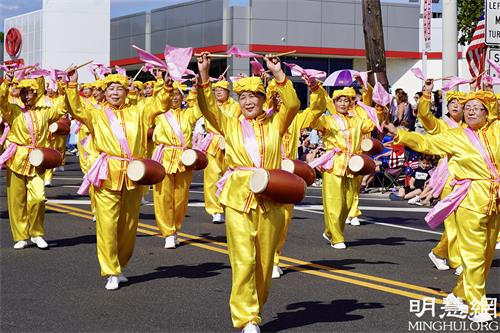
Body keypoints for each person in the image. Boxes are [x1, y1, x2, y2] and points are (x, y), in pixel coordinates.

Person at [197, 52, 299, 333]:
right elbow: (208, 108)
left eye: (254, 96)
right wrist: (204, 75)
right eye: (243, 97)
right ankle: (247, 317)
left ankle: (256, 308)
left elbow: (292, 103)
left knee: (265, 263)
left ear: (264, 100)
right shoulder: (229, 123)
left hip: (272, 196)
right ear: (237, 101)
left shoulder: (276, 123)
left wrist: (278, 73)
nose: (248, 101)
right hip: (238, 197)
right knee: (243, 260)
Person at [385, 90, 499, 323]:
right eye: (468, 108)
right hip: (469, 199)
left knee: (486, 255)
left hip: (495, 199)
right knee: (473, 253)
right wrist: (401, 134)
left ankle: (459, 294)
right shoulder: (455, 135)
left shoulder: (497, 130)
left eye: (477, 107)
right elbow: (427, 142)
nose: (470, 110)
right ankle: (477, 305)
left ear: (489, 112)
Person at [66, 70, 172, 290]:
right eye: (111, 89)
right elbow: (75, 109)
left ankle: (120, 264)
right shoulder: (96, 114)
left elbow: (160, 104)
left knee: (129, 224)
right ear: (104, 92)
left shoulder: (139, 110)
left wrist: (166, 86)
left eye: (119, 89)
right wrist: (71, 85)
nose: (115, 93)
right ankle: (111, 270)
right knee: (107, 225)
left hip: (134, 173)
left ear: (127, 91)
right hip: (107, 172)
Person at [266, 77, 327, 279]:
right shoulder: (259, 120)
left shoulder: (296, 118)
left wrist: (315, 89)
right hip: (262, 176)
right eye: (274, 96)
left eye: (282, 96)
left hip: (286, 176)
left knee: (282, 220)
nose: (278, 100)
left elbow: (317, 110)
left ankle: (274, 259)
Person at [0, 74, 67, 249]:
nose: (27, 96)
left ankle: (37, 233)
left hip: (38, 160)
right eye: (23, 93)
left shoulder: (45, 111)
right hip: (16, 158)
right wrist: (6, 83)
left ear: (37, 94)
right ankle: (21, 236)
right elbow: (1, 100)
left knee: (38, 197)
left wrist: (65, 85)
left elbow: (63, 108)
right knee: (17, 200)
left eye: (30, 92)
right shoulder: (12, 110)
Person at [309, 87, 380, 249]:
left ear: (351, 103)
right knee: (334, 203)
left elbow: (372, 124)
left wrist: (381, 108)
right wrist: (316, 101)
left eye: (346, 100)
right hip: (334, 164)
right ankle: (337, 237)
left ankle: (330, 231)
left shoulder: (357, 120)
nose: (342, 103)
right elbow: (313, 122)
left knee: (347, 204)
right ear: (334, 103)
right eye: (339, 100)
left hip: (353, 165)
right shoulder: (328, 120)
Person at [414, 80, 468, 274]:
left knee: (463, 222)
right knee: (453, 222)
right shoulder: (442, 126)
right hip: (448, 179)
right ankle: (457, 261)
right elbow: (424, 116)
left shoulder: (471, 128)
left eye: (460, 103)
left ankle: (438, 253)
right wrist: (426, 94)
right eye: (452, 102)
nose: (455, 105)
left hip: (469, 181)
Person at [151, 82, 202, 249]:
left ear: (182, 96)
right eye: (171, 94)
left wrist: (196, 90)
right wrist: (161, 85)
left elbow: (201, 108)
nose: (174, 97)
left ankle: (176, 228)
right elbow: (152, 102)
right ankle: (168, 233)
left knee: (180, 198)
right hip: (163, 157)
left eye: (177, 94)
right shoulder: (158, 114)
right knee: (162, 197)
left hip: (183, 159)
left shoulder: (189, 114)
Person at [201, 79, 240, 223]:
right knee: (212, 176)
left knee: (230, 176)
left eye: (221, 90)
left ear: (228, 92)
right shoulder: (210, 106)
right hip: (212, 143)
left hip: (230, 143)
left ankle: (229, 205)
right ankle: (215, 210)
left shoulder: (235, 106)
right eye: (216, 90)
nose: (218, 92)